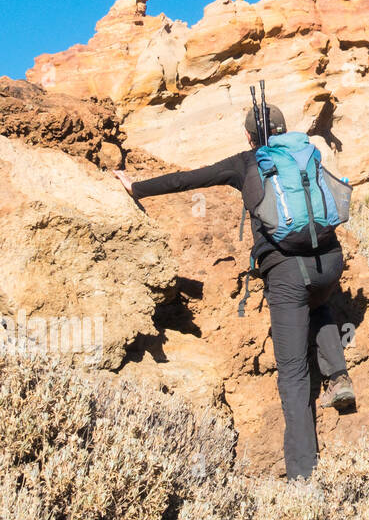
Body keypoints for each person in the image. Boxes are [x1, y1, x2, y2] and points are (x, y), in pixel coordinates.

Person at [114, 104, 355, 480]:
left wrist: (137, 186)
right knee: (319, 302)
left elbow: (189, 180)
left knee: (292, 375)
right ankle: (339, 376)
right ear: (284, 131)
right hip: (329, 262)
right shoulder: (306, 153)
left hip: (288, 273)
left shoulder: (245, 162)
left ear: (249, 136)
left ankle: (303, 480)